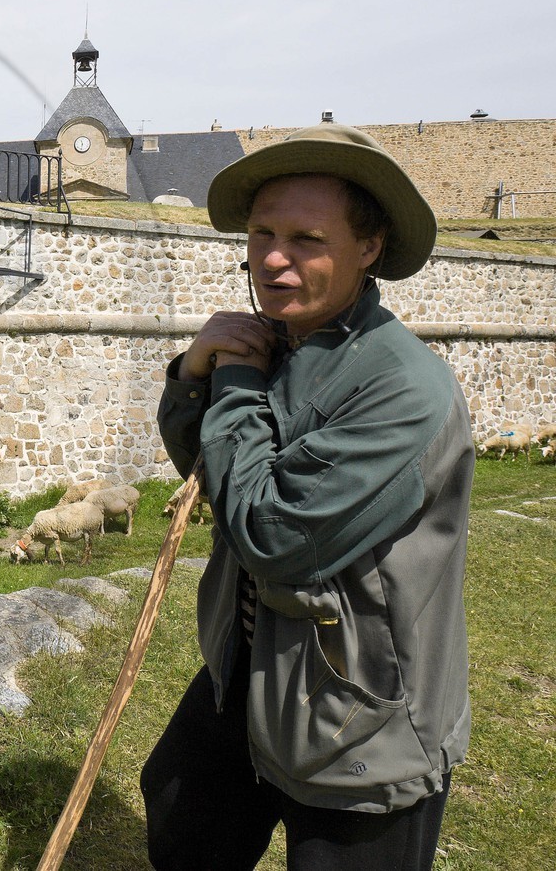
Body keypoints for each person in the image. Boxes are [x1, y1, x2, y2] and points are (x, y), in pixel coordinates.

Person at [140, 122, 472, 871]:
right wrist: (193, 374)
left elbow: (270, 535)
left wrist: (231, 379)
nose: (274, 260)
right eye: (261, 233)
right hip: (248, 667)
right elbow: (213, 472)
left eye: (306, 239)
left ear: (370, 247)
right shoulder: (280, 342)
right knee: (180, 818)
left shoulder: (402, 389)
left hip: (361, 709)